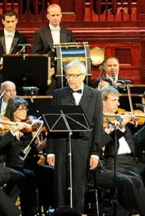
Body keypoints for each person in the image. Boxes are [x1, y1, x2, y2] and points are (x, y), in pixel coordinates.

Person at [96, 86, 145, 216]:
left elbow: (133, 143)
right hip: (114, 162)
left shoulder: (119, 118)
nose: (119, 103)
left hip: (132, 160)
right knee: (135, 180)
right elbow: (103, 145)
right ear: (103, 102)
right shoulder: (99, 121)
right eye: (114, 100)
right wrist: (118, 127)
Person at [46, 60, 102, 211]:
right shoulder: (58, 94)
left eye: (75, 76)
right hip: (61, 144)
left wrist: (95, 153)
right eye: (68, 76)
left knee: (78, 185)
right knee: (60, 185)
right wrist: (50, 150)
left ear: (83, 76)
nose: (71, 79)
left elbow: (98, 125)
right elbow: (52, 125)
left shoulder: (95, 95)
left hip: (83, 145)